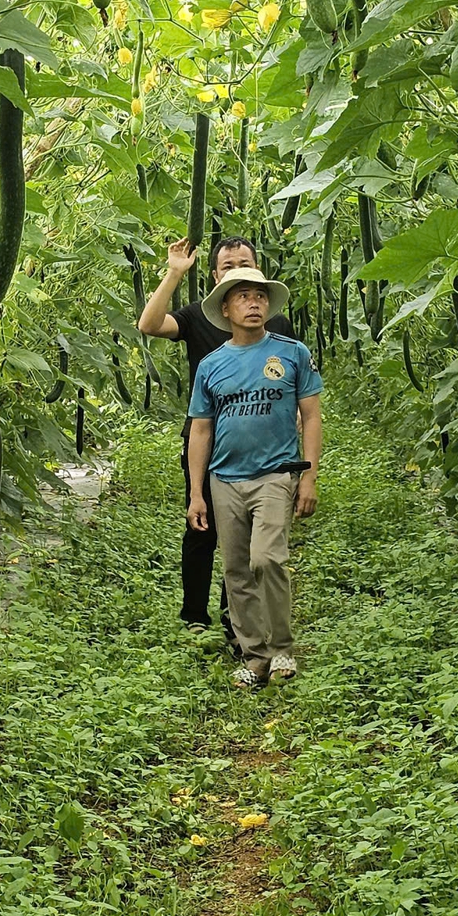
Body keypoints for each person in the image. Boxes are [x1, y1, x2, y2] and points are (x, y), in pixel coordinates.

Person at [137, 236, 295, 638]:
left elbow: (291, 384)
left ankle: (234, 617)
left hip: (261, 449)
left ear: (259, 270)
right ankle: (194, 616)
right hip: (206, 442)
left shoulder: (275, 324)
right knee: (201, 526)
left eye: (245, 262)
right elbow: (150, 324)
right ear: (215, 277)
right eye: (228, 266)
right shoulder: (196, 317)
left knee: (244, 535)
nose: (237, 268)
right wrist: (174, 273)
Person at [185, 268, 322, 690]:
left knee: (267, 559)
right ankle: (255, 657)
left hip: (276, 475)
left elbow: (312, 416)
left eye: (260, 296)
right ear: (225, 309)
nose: (253, 303)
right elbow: (201, 430)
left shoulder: (292, 353)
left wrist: (309, 478)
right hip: (225, 480)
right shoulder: (211, 365)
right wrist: (197, 493)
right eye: (243, 297)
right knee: (236, 571)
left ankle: (282, 648)